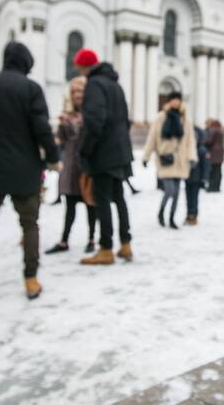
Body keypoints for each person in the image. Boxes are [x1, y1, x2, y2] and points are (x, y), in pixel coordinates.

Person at [0, 42, 59, 299]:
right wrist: (52, 156)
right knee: (29, 224)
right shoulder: (30, 89)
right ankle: (31, 279)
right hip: (24, 167)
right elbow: (42, 128)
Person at [74, 48, 134, 265]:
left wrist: (85, 150)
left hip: (103, 152)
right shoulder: (115, 85)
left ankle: (106, 248)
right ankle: (125, 244)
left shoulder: (95, 85)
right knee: (118, 198)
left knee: (102, 200)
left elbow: (94, 121)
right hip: (120, 151)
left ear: (83, 66)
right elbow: (126, 119)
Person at [46, 75, 97, 255]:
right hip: (70, 165)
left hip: (86, 166)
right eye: (74, 91)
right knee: (70, 205)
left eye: (80, 91)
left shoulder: (92, 112)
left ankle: (91, 238)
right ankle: (64, 240)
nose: (77, 95)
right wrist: (61, 125)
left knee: (91, 203)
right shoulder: (67, 114)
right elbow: (61, 139)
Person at [142, 92, 197, 229]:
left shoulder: (185, 120)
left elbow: (190, 141)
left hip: (180, 160)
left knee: (177, 192)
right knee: (169, 191)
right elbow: (152, 137)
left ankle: (171, 218)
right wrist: (146, 156)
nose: (175, 102)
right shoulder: (161, 117)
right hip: (166, 158)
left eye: (177, 100)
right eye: (173, 100)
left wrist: (192, 157)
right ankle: (161, 212)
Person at [184, 122, 209, 225]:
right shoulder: (187, 150)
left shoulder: (202, 150)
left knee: (194, 198)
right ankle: (189, 214)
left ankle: (193, 215)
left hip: (197, 179)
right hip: (188, 178)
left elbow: (206, 166)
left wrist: (204, 178)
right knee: (188, 197)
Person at [204, 119, 224, 192]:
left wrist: (203, 142)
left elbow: (209, 141)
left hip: (214, 153)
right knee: (218, 171)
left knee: (212, 171)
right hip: (220, 154)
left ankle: (211, 187)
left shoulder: (213, 130)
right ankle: (217, 187)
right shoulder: (220, 130)